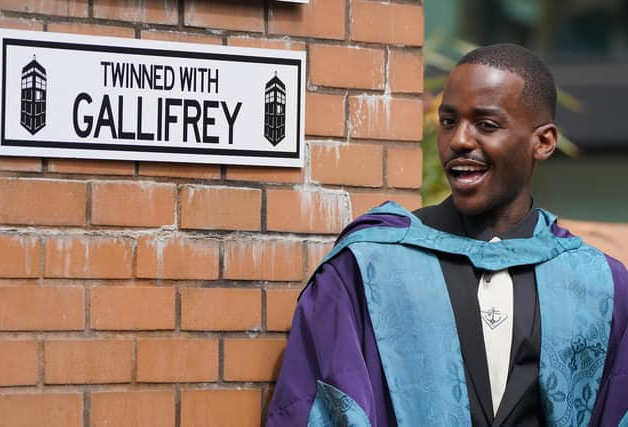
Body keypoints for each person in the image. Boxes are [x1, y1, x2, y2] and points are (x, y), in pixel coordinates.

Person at [266, 44, 628, 427]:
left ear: (543, 142)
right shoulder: (369, 268)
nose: (459, 141)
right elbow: (318, 407)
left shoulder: (599, 285)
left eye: (486, 125)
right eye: (448, 121)